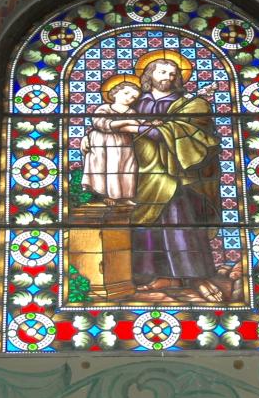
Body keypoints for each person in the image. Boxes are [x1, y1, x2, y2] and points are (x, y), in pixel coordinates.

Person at [129, 50, 224, 304]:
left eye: (173, 74)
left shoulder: (188, 103)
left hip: (177, 173)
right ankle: (155, 275)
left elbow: (195, 132)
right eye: (162, 72)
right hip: (140, 173)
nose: (168, 77)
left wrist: (159, 129)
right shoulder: (136, 102)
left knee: (180, 222)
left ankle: (196, 276)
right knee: (144, 225)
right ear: (149, 75)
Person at [80, 75, 140, 206]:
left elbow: (136, 126)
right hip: (103, 143)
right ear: (114, 92)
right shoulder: (104, 108)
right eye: (126, 93)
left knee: (128, 168)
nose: (129, 97)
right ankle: (108, 195)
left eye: (134, 97)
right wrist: (126, 122)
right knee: (108, 168)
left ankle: (125, 196)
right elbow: (100, 123)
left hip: (124, 143)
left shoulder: (131, 111)